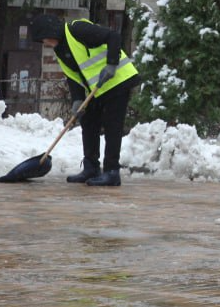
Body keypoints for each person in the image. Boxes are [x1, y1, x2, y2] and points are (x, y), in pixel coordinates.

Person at [30, 13, 140, 186]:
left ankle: (112, 172)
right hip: (96, 88)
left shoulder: (77, 30)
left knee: (112, 127)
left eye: (43, 39)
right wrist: (77, 100)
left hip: (118, 80)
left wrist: (112, 63)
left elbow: (113, 36)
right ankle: (91, 167)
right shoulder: (60, 50)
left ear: (49, 31)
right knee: (88, 123)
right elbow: (73, 77)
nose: (44, 43)